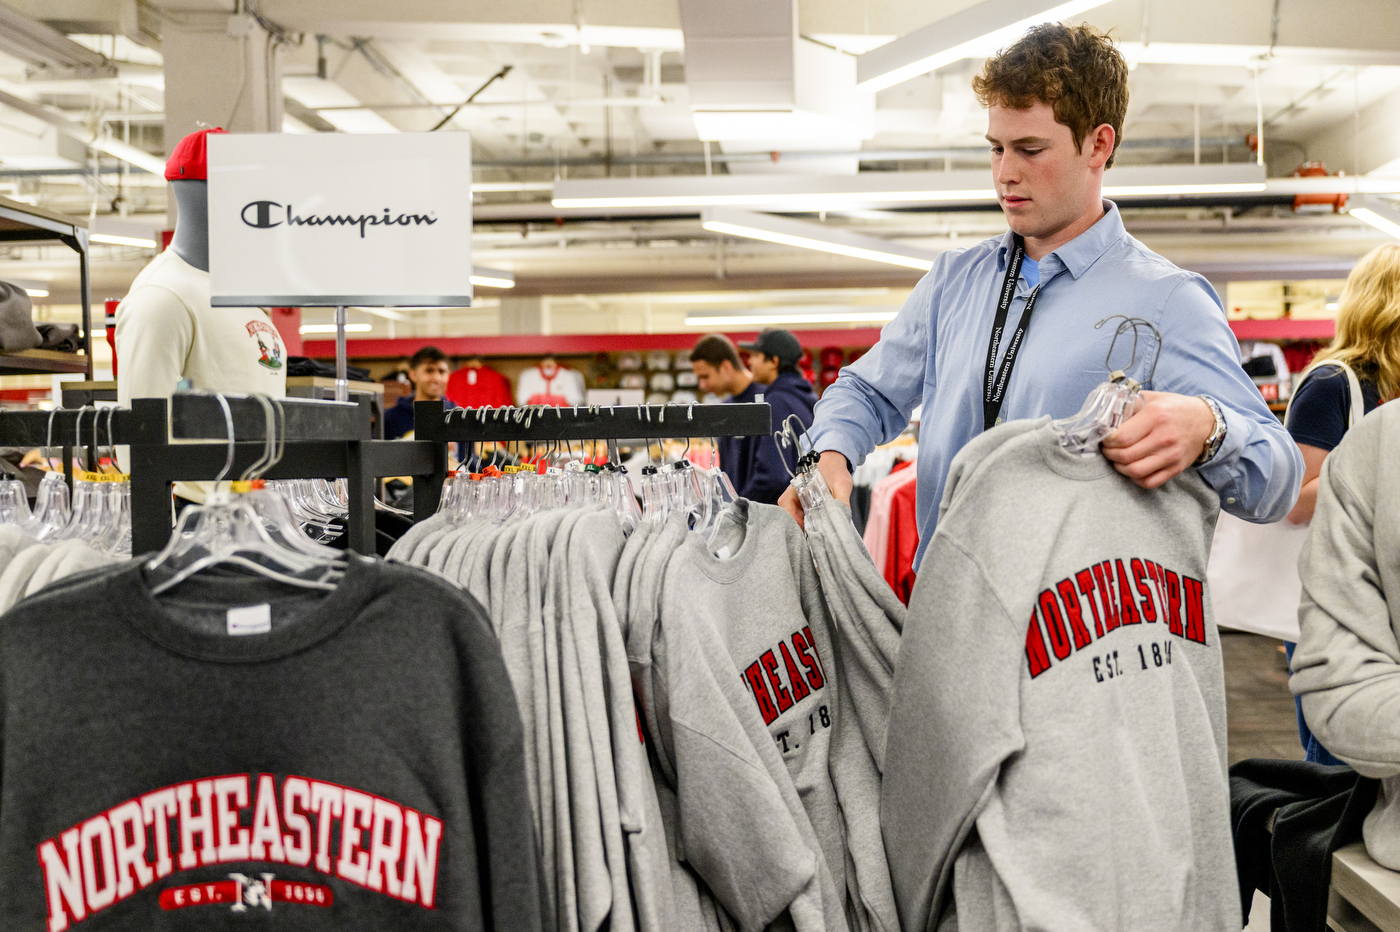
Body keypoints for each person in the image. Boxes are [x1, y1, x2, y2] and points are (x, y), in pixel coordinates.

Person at [780, 23, 1302, 568]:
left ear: (1098, 144)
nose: (1006, 173)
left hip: (1077, 638)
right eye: (997, 148)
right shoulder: (954, 283)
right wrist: (829, 452)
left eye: (1030, 149)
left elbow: (1279, 481)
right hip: (944, 620)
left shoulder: (1171, 302)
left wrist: (1209, 428)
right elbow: (866, 391)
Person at [1281, 243, 1399, 764]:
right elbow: (1293, 500)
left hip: (1387, 586)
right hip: (1334, 594)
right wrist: (1367, 469)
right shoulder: (1335, 385)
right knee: (1339, 761)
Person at [690, 333, 811, 504]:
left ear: (773, 362)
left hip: (765, 519)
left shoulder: (772, 403)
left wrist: (739, 510)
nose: (749, 361)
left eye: (755, 356)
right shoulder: (793, 397)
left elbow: (772, 476)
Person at [384, 346, 456, 440]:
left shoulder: (458, 418)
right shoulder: (390, 418)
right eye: (429, 371)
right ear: (413, 375)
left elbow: (469, 453)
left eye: (441, 372)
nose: (436, 378)